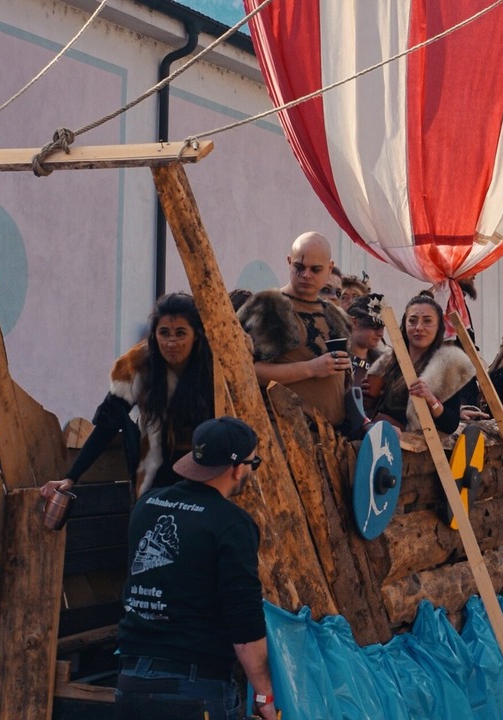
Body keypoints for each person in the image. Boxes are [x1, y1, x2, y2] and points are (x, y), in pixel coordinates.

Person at [113, 417, 277, 720]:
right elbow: (244, 620)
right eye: (254, 463)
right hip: (194, 688)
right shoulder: (232, 525)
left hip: (130, 682)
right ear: (237, 468)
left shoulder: (147, 505)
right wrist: (264, 693)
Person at [40, 293, 214, 500]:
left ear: (195, 335)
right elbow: (109, 422)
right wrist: (71, 477)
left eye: (180, 333)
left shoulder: (214, 367)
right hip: (156, 474)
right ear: (155, 334)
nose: (171, 342)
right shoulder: (138, 365)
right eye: (164, 333)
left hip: (206, 471)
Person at [237, 231, 351, 426]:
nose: (306, 275)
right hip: (282, 434)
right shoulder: (268, 306)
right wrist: (311, 368)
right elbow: (244, 370)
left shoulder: (335, 315)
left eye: (315, 269)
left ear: (329, 268)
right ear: (289, 261)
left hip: (331, 440)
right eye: (299, 267)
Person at [363, 294, 475, 434]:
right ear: (405, 324)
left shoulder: (447, 365)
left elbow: (451, 424)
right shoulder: (386, 363)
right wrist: (366, 399)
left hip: (415, 447)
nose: (419, 327)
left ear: (438, 327)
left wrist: (431, 400)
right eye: (412, 321)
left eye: (427, 321)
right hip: (378, 437)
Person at [345, 293, 385, 387]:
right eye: (375, 326)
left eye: (383, 327)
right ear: (354, 322)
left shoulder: (384, 365)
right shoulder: (337, 359)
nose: (380, 334)